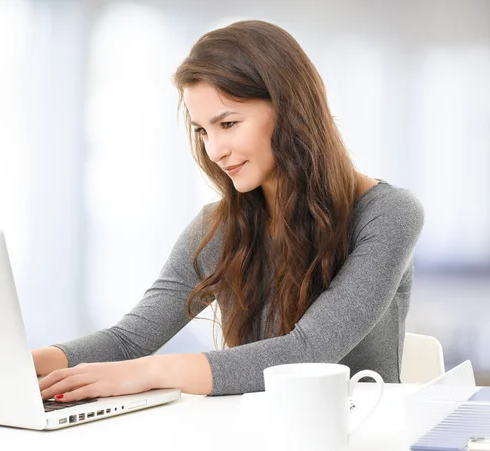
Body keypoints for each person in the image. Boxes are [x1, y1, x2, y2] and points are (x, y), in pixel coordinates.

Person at [33, 20, 424, 401]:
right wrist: (23, 364)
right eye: (203, 130)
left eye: (229, 123)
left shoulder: (388, 213)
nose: (215, 150)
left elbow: (306, 352)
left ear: (291, 109)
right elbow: (129, 340)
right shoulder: (217, 226)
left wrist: (150, 371)